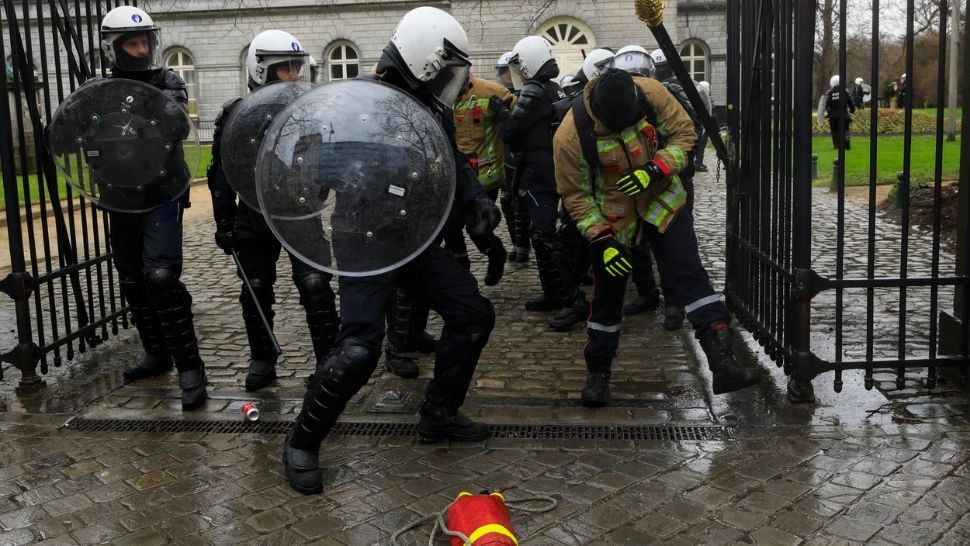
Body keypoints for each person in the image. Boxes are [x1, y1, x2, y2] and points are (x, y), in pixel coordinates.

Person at [283, 6, 500, 494]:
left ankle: (439, 414)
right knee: (359, 349)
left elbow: (450, 161)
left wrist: (476, 201)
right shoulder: (355, 102)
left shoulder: (430, 108)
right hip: (363, 237)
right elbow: (311, 174)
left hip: (414, 238)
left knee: (472, 315)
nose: (449, 81)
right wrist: (315, 169)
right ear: (425, 61)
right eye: (445, 70)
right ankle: (302, 441)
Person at [554, 68, 761, 406]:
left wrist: (656, 168)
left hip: (663, 201)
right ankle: (598, 374)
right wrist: (601, 240)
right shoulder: (570, 135)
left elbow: (685, 135)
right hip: (614, 221)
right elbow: (575, 195)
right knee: (607, 297)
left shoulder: (652, 94)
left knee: (690, 275)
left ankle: (723, 364)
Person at [207, 30, 339, 392]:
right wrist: (224, 219)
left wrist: (323, 191)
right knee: (256, 287)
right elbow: (222, 170)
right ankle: (262, 359)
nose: (294, 75)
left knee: (315, 284)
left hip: (300, 211)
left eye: (297, 67)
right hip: (254, 211)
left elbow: (327, 158)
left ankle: (328, 361)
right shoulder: (237, 114)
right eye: (285, 68)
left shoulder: (310, 110)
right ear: (261, 69)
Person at [93, 6, 209, 410]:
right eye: (133, 44)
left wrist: (136, 102)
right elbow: (68, 133)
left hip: (162, 193)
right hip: (119, 196)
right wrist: (72, 111)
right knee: (131, 278)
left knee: (161, 276)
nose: (142, 49)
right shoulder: (98, 88)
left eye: (145, 41)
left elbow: (175, 124)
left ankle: (191, 366)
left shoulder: (167, 80)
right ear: (114, 47)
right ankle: (156, 352)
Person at [499, 35, 587, 331]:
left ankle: (572, 300)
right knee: (542, 235)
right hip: (550, 168)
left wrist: (501, 114)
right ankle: (554, 293)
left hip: (539, 172)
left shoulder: (534, 90)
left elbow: (512, 133)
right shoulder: (551, 88)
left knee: (544, 237)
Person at [450, 72, 515, 286]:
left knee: (476, 227)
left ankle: (495, 252)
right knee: (450, 227)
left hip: (484, 178)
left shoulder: (490, 91)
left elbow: (520, 121)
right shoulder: (439, 94)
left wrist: (504, 114)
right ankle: (460, 280)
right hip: (452, 176)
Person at [495, 51, 532, 264]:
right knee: (508, 200)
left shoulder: (529, 92)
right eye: (503, 72)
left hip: (525, 154)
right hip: (505, 154)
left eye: (509, 71)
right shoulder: (497, 93)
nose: (506, 76)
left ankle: (525, 243)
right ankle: (517, 242)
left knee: (523, 201)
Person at [818, 74, 856, 150]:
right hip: (844, 115)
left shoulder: (829, 93)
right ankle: (847, 144)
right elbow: (851, 103)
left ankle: (836, 145)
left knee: (834, 131)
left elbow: (826, 105)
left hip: (833, 116)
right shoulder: (845, 91)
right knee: (846, 130)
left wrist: (828, 113)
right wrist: (852, 110)